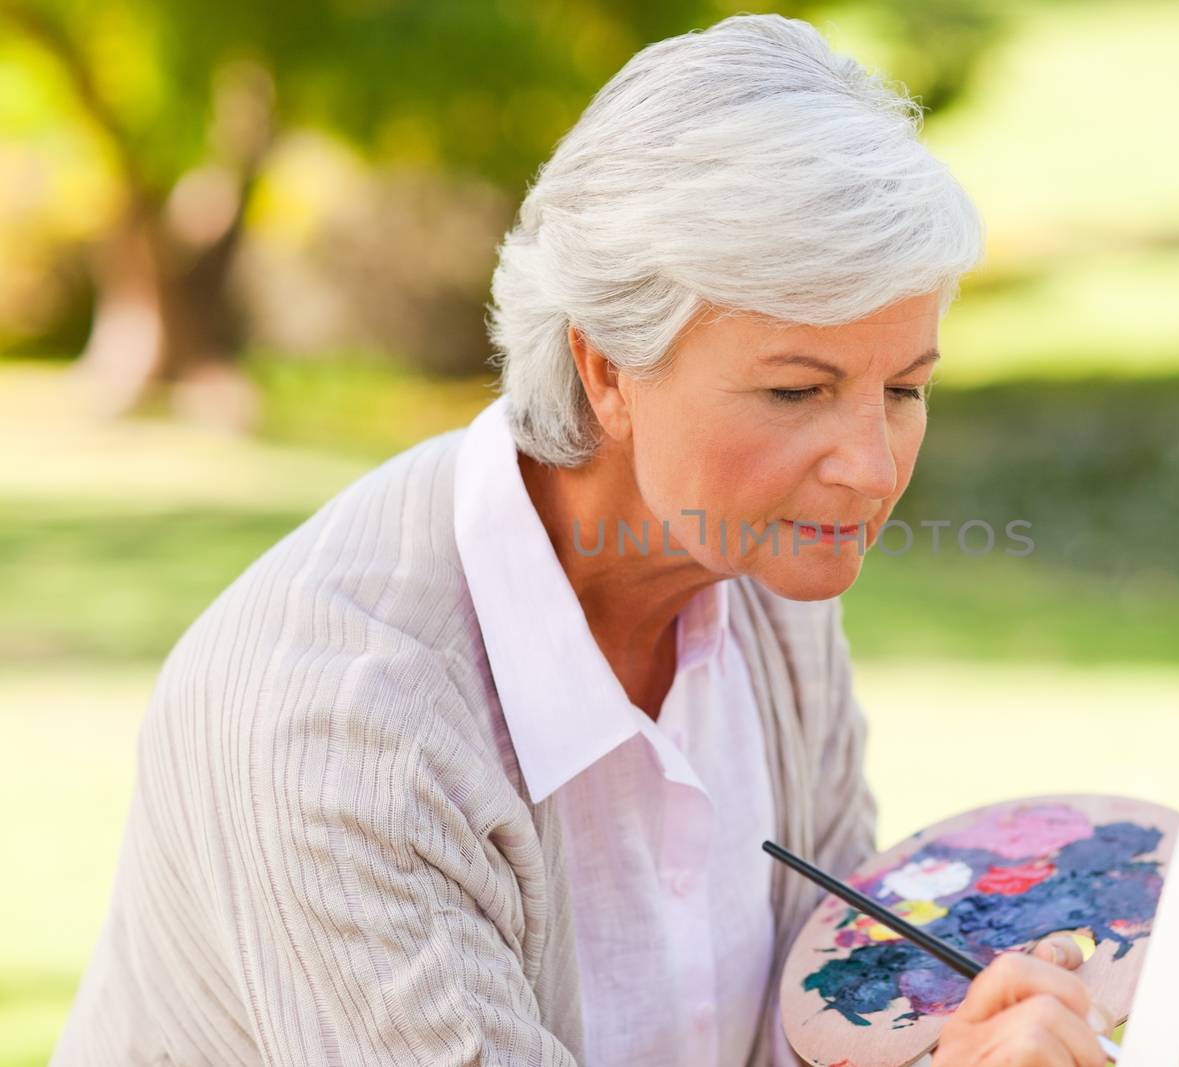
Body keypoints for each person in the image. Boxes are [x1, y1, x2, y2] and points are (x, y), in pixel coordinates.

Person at [53, 13, 1112, 1067]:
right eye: (797, 389)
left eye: (904, 387)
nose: (872, 469)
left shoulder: (773, 593)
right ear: (605, 368)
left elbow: (829, 1020)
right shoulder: (343, 727)